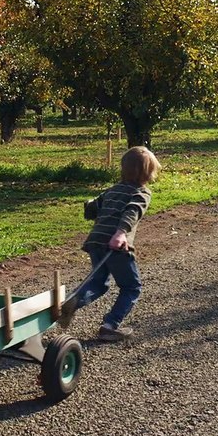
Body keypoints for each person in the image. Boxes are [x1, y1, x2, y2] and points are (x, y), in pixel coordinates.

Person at [61, 145, 160, 342]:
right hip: (115, 244)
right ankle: (110, 326)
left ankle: (74, 300)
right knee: (132, 287)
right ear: (148, 172)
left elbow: (92, 209)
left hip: (95, 240)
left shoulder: (112, 190)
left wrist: (89, 205)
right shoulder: (141, 193)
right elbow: (132, 212)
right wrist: (121, 233)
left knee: (98, 283)